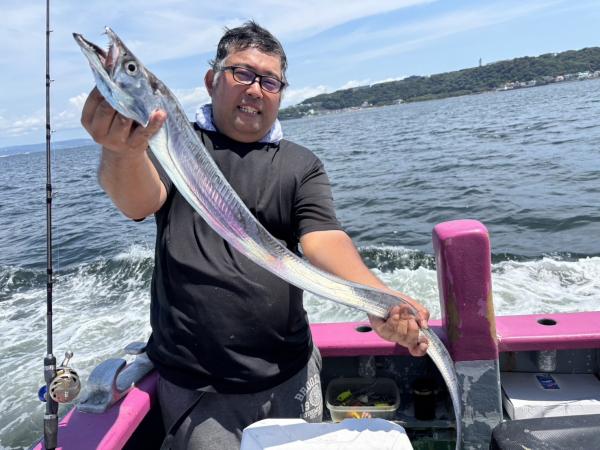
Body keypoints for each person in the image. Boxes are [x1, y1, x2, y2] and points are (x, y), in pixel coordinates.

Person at [81, 21, 430, 449]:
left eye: (270, 81)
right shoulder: (173, 144)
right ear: (211, 80)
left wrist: (377, 297)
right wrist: (121, 151)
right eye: (241, 73)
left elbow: (323, 239)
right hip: (201, 389)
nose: (255, 89)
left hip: (292, 372)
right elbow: (137, 201)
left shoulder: (300, 164)